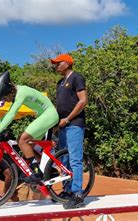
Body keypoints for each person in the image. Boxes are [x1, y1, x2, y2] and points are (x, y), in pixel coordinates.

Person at [0, 71, 59, 184]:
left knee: (22, 140)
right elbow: (10, 111)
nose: (5, 101)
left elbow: (12, 114)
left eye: (5, 98)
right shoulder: (17, 93)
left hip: (49, 115)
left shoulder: (22, 92)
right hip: (44, 115)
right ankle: (48, 170)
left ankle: (37, 173)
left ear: (11, 91)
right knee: (29, 144)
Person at [50, 53, 88, 209]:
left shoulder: (76, 78)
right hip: (62, 127)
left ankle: (77, 194)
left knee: (75, 159)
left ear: (67, 63)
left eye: (58, 63)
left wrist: (68, 118)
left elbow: (83, 101)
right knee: (63, 160)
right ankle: (66, 191)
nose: (56, 66)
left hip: (74, 124)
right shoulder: (60, 83)